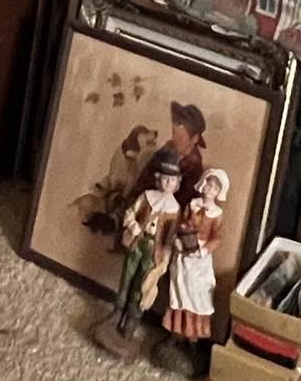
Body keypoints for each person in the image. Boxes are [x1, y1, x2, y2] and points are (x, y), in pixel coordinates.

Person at [96, 150, 182, 356]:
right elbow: (130, 213)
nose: (168, 184)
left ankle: (131, 323)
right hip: (138, 243)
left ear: (177, 183)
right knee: (126, 278)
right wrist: (133, 225)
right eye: (165, 179)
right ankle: (117, 313)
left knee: (141, 286)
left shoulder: (174, 209)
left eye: (172, 181)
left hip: (154, 251)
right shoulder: (147, 197)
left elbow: (170, 237)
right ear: (158, 179)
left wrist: (165, 257)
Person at [159, 167, 228, 344]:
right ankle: (175, 334)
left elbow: (217, 237)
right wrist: (178, 240)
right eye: (208, 186)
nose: (210, 191)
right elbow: (181, 223)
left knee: (197, 294)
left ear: (219, 192)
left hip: (200, 258)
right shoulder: (193, 204)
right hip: (184, 252)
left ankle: (193, 338)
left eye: (214, 188)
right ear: (203, 184)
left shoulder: (217, 214)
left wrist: (203, 251)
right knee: (179, 289)